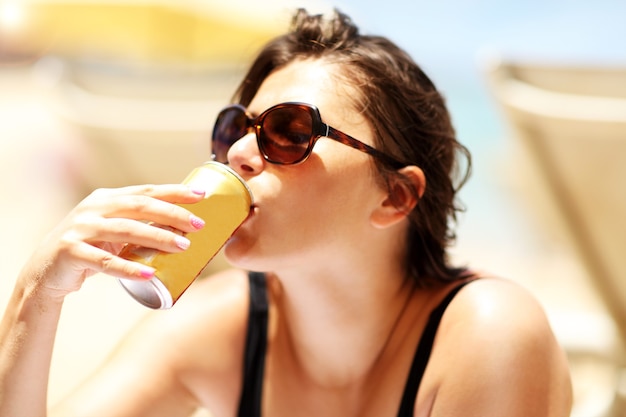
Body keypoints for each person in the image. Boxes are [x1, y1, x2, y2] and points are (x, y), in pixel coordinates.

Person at [0, 8, 572, 417]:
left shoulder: (487, 336)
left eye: (289, 131)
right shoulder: (215, 329)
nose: (241, 153)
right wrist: (36, 294)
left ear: (394, 196)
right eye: (234, 130)